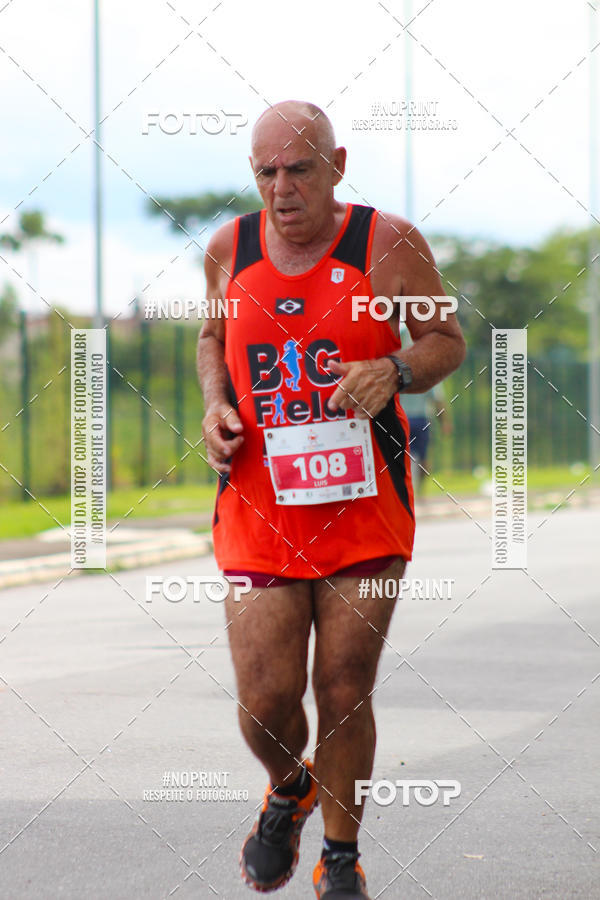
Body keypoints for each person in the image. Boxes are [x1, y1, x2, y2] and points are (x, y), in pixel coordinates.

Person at [197, 100, 465, 899]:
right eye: (266, 171)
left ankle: (341, 858)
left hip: (364, 505)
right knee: (266, 699)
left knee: (345, 683)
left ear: (337, 165)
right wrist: (215, 405)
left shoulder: (388, 244)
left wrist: (399, 372)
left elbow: (445, 340)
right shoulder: (227, 249)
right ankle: (289, 786)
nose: (282, 188)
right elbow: (212, 339)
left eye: (300, 169)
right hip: (258, 506)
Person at [399, 325, 453, 497]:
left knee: (405, 458)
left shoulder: (394, 369)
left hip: (406, 418)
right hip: (418, 419)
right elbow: (437, 400)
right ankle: (418, 492)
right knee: (422, 458)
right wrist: (444, 422)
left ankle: (411, 492)